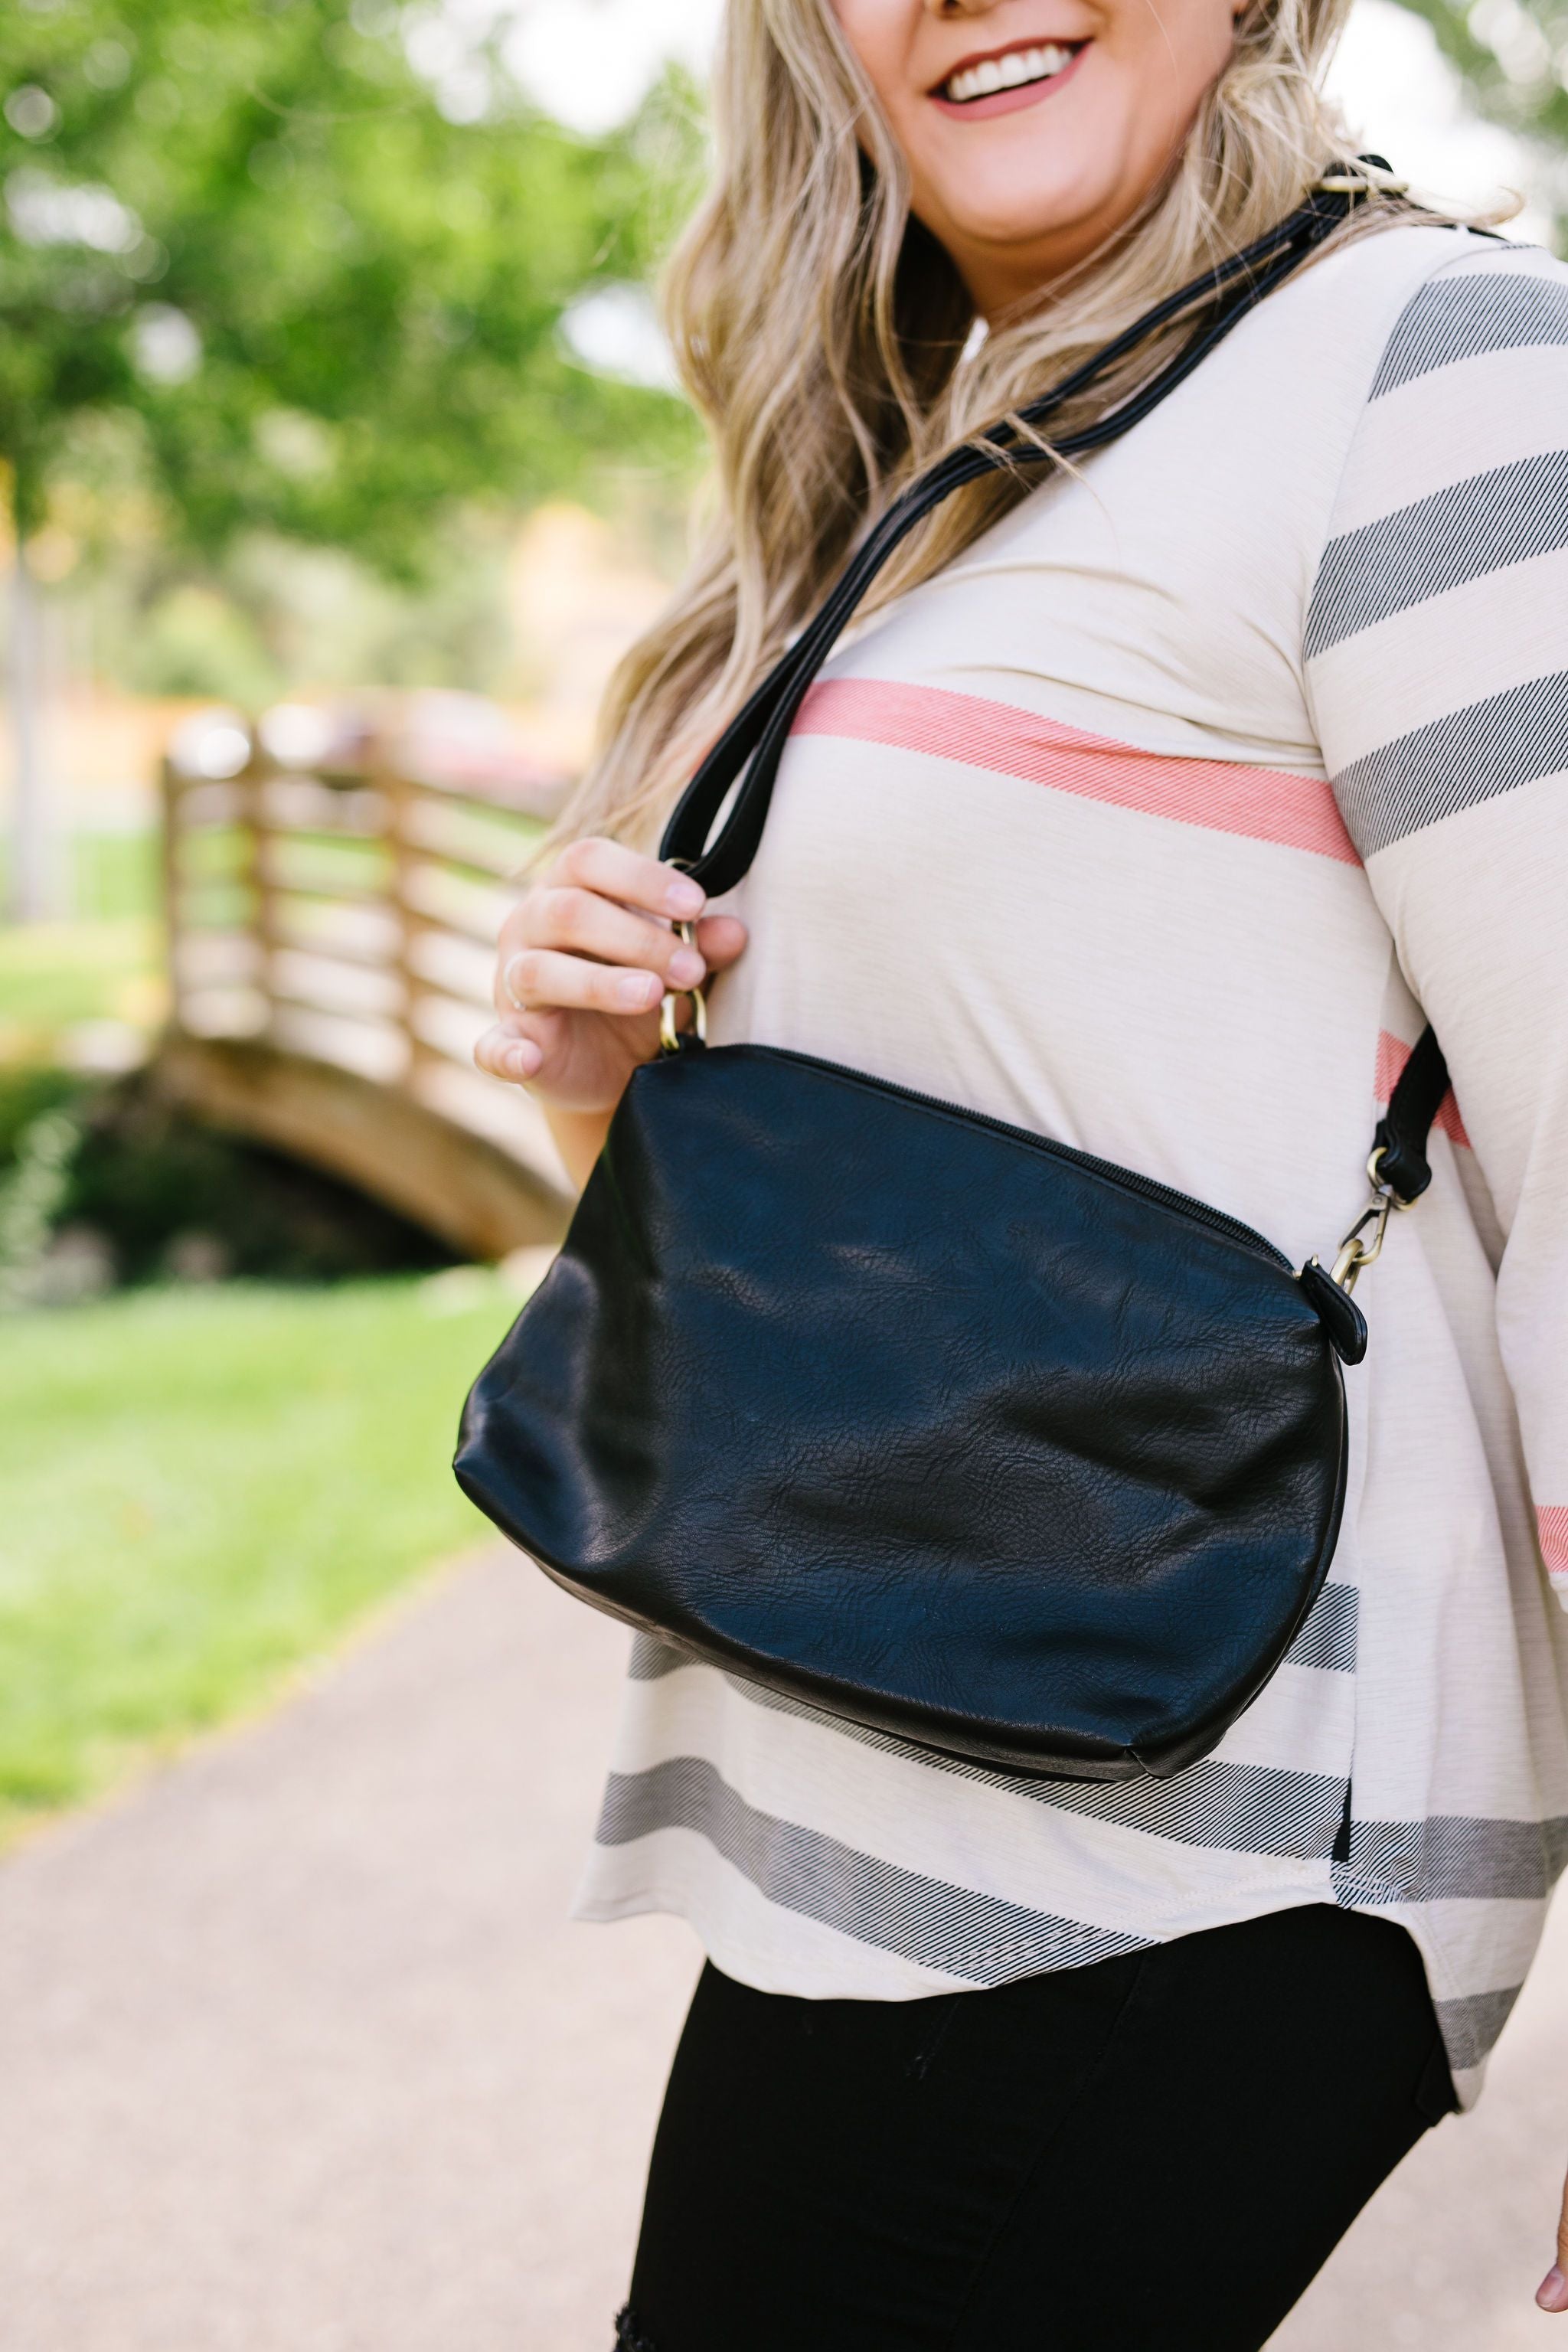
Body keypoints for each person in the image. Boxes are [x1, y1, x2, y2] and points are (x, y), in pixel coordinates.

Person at [475, 0, 1568, 2342]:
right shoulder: (966, 451)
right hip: (886, 1765)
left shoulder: (1439, 369)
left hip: (1204, 1812)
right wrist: (610, 1075)